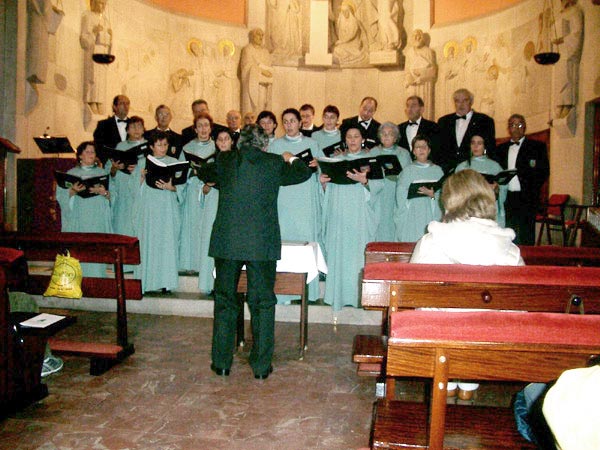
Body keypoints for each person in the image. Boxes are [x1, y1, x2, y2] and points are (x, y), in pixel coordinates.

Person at [209, 125, 312, 379]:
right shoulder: (274, 162)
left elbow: (203, 172)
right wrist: (292, 157)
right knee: (263, 303)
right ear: (264, 144)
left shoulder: (225, 159)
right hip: (261, 242)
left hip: (228, 241)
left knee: (225, 302)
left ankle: (222, 362)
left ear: (239, 142)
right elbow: (303, 173)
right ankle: (261, 367)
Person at [410, 169, 523, 400]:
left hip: (438, 338)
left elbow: (412, 292)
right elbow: (519, 303)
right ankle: (469, 385)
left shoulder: (432, 240)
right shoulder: (509, 247)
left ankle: (447, 384)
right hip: (488, 342)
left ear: (449, 200)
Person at [320, 126, 384, 311]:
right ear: (344, 140)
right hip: (340, 217)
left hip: (359, 218)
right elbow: (329, 192)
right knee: (339, 255)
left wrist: (364, 180)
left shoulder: (370, 162)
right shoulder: (337, 161)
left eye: (356, 136)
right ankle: (338, 297)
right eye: (349, 137)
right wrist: (324, 185)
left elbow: (379, 188)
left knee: (357, 256)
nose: (353, 140)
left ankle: (358, 297)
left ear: (362, 139)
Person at [268, 108, 323, 303]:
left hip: (305, 199)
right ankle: (282, 292)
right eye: (286, 121)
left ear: (300, 123)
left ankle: (307, 292)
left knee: (304, 241)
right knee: (284, 241)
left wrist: (318, 166)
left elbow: (323, 172)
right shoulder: (275, 145)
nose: (289, 125)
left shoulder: (312, 144)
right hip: (283, 198)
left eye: (293, 121)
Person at [132, 131, 183, 294]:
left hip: (167, 209)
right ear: (151, 146)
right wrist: (140, 179)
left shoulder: (174, 162)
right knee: (150, 242)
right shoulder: (142, 163)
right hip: (149, 210)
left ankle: (166, 282)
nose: (163, 148)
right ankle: (147, 282)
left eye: (165, 145)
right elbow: (133, 190)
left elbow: (183, 187)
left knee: (166, 243)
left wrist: (171, 187)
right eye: (159, 145)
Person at [56, 141, 112, 278]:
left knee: (96, 251)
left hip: (97, 218)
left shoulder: (103, 172)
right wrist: (72, 192)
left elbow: (113, 196)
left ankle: (98, 280)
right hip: (79, 218)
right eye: (87, 152)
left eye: (93, 152)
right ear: (80, 155)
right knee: (79, 251)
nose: (91, 154)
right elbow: (61, 196)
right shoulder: (71, 173)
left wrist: (103, 192)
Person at [493, 114, 549, 245]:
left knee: (526, 232)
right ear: (508, 128)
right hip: (507, 196)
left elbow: (543, 172)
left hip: (527, 197)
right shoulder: (500, 149)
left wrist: (531, 189)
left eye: (519, 125)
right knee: (508, 230)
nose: (516, 128)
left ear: (524, 127)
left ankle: (527, 262)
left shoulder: (536, 147)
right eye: (513, 125)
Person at [197, 129, 233, 295]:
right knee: (209, 240)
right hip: (213, 202)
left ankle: (226, 285)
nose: (224, 142)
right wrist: (205, 188)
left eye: (227, 139)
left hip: (230, 204)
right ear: (216, 142)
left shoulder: (237, 161)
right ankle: (209, 284)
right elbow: (203, 187)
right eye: (220, 139)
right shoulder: (210, 162)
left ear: (232, 142)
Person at [179, 113, 215, 275]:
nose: (203, 129)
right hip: (193, 190)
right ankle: (192, 263)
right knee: (193, 226)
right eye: (199, 126)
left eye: (206, 125)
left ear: (211, 127)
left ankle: (207, 266)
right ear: (195, 129)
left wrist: (209, 182)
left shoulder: (217, 147)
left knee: (208, 227)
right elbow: (179, 173)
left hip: (212, 192)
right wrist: (191, 173)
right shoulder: (187, 148)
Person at [394, 135, 443, 242]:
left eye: (424, 147)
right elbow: (400, 195)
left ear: (429, 150)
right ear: (413, 151)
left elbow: (445, 194)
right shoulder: (407, 171)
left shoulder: (438, 171)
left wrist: (433, 195)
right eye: (417, 147)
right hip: (412, 214)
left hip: (431, 212)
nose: (421, 149)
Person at [436, 88, 495, 173]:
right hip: (448, 172)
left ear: (471, 102)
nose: (461, 104)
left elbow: (490, 148)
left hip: (474, 170)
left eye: (465, 100)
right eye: (457, 101)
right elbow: (439, 149)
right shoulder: (443, 121)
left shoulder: (484, 121)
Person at [370, 122, 411, 240]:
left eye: (390, 134)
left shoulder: (403, 153)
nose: (386, 136)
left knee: (394, 224)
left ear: (396, 137)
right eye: (383, 134)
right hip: (378, 195)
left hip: (396, 194)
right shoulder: (373, 152)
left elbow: (407, 176)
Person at [456, 134, 507, 227]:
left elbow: (503, 189)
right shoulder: (462, 167)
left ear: (484, 146)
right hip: (468, 210)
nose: (475, 146)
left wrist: (496, 188)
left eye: (479, 143)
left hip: (488, 208)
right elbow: (455, 190)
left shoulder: (494, 166)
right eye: (473, 143)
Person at [111, 116, 146, 240]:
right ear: (127, 131)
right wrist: (115, 168)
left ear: (143, 130)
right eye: (133, 127)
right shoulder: (120, 146)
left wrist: (138, 171)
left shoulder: (150, 147)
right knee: (124, 226)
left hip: (142, 192)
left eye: (139, 126)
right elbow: (111, 174)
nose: (136, 129)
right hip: (124, 193)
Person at [80, 0, 110, 115]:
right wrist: (93, 32)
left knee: (102, 79)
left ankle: (99, 101)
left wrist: (111, 38)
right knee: (94, 77)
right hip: (93, 50)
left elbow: (108, 41)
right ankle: (92, 100)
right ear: (93, 3)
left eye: (104, 4)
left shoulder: (106, 21)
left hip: (103, 51)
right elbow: (83, 39)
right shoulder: (87, 16)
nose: (102, 6)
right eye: (100, 3)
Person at [404, 30, 437, 118]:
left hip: (424, 84)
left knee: (424, 106)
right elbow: (407, 70)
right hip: (412, 85)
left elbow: (432, 70)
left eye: (419, 36)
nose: (417, 38)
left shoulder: (428, 51)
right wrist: (409, 78)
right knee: (411, 105)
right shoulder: (409, 53)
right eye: (415, 36)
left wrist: (421, 76)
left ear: (422, 38)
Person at [240, 28, 274, 115]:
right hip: (251, 83)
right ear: (252, 36)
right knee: (251, 109)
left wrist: (269, 72)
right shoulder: (248, 49)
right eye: (258, 35)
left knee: (262, 107)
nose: (261, 37)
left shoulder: (265, 51)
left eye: (262, 35)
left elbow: (269, 66)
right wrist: (262, 71)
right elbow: (246, 66)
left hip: (263, 84)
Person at [93, 94, 130, 163]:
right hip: (109, 165)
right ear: (114, 107)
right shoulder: (103, 125)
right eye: (122, 103)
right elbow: (98, 147)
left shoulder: (135, 125)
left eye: (127, 103)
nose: (126, 106)